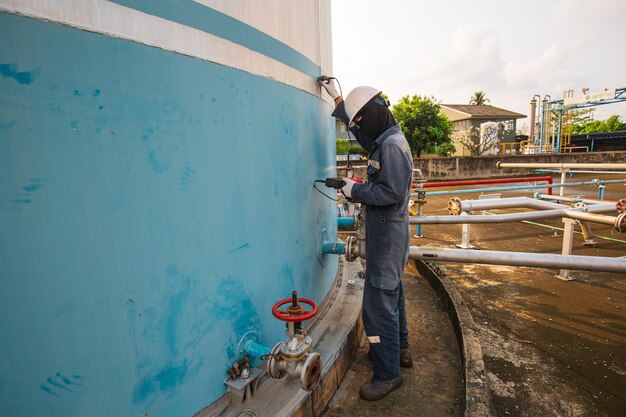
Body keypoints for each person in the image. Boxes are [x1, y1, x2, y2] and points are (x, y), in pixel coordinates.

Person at [319, 79, 414, 401]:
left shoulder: (390, 146)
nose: (358, 126)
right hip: (388, 230)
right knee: (392, 293)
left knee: (377, 304)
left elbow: (391, 192)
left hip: (387, 233)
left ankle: (388, 375)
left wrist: (352, 190)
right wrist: (339, 100)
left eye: (360, 119)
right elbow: (361, 133)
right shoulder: (384, 138)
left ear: (373, 112)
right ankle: (399, 350)